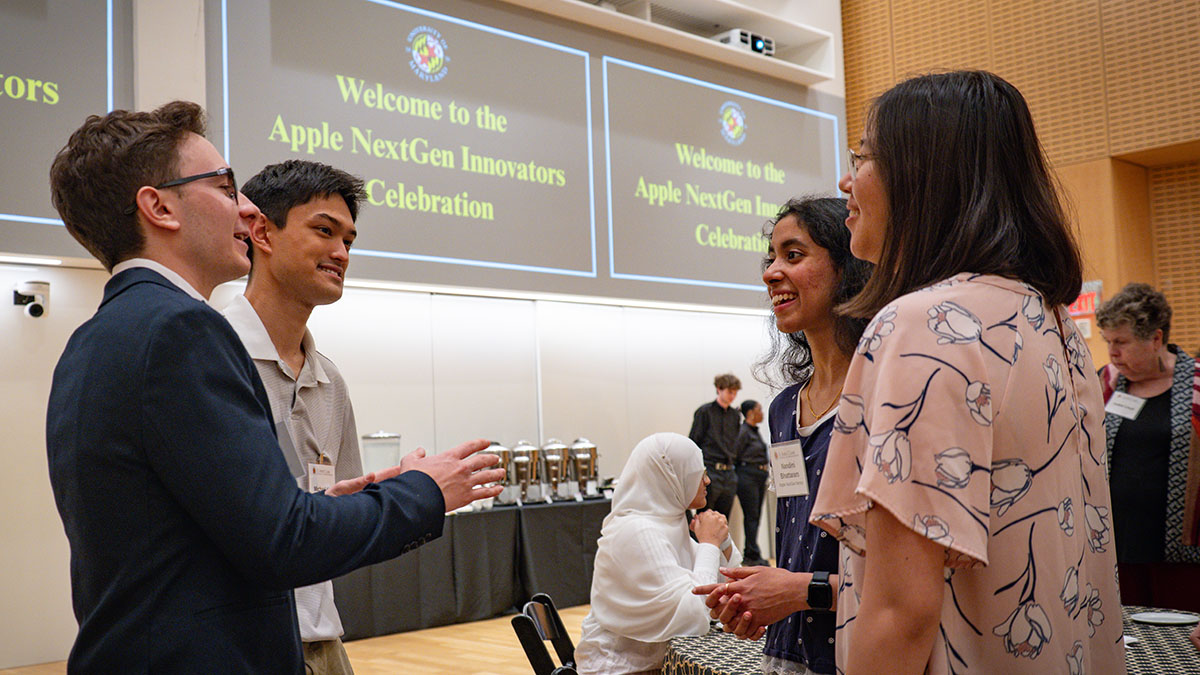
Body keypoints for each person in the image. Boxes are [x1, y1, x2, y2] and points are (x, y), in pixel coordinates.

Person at [45, 101, 503, 672]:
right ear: (159, 206)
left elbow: (203, 533)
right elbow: (282, 543)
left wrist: (319, 507)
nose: (244, 209)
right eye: (224, 186)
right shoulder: (182, 330)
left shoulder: (95, 339)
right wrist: (426, 492)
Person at [809, 71, 1124, 674]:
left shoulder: (926, 325)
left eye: (861, 156)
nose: (845, 182)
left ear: (922, 172)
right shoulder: (1046, 317)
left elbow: (901, 612)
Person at [694, 197, 872, 675]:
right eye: (771, 258)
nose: (772, 272)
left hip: (863, 652)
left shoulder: (885, 395)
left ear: (848, 268)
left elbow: (911, 579)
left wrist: (797, 591)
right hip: (789, 654)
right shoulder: (782, 409)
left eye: (793, 256)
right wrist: (759, 598)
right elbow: (796, 537)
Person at [221, 159, 372, 673]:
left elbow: (342, 520)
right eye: (324, 231)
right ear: (260, 230)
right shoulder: (209, 357)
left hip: (324, 643)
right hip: (240, 645)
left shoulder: (330, 381)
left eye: (349, 240)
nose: (341, 253)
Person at [575, 432, 741, 674]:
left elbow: (728, 581)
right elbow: (693, 614)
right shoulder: (638, 531)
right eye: (699, 473)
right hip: (621, 668)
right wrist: (709, 543)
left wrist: (722, 539)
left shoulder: (668, 522)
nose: (707, 481)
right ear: (671, 477)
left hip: (654, 663)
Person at [1096, 282, 1200, 611]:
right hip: (1118, 549)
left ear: (1156, 339)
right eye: (1108, 341)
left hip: (1182, 555)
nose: (1112, 353)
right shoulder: (1106, 382)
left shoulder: (1197, 384)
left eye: (1122, 342)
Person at [689, 373, 743, 517]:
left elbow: (736, 442)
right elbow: (694, 442)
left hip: (730, 473)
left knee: (723, 518)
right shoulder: (704, 412)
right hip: (711, 469)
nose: (733, 396)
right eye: (730, 392)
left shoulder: (735, 415)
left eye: (735, 392)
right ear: (719, 389)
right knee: (705, 516)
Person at [734, 399, 770, 566]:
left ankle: (752, 551)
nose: (762, 412)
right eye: (759, 409)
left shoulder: (754, 431)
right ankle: (751, 554)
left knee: (755, 515)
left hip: (758, 476)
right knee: (751, 516)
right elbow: (735, 454)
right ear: (750, 413)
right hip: (747, 476)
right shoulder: (743, 431)